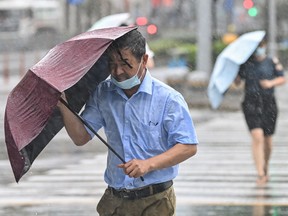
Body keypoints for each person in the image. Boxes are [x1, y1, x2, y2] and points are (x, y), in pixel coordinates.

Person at [58, 28, 198, 215]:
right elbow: (81, 137)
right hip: (115, 202)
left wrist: (149, 164)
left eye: (125, 64)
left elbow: (188, 146)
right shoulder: (103, 94)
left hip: (155, 201)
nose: (118, 71)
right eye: (112, 64)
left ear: (144, 60)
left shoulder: (168, 99)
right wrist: (63, 104)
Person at [234, 38, 286, 186]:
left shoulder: (272, 61)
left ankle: (265, 165)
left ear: (264, 46)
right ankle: (260, 173)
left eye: (261, 46)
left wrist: (270, 83)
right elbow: (238, 83)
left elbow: (282, 78)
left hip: (269, 104)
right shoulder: (245, 63)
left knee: (268, 141)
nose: (258, 49)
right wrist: (235, 72)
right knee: (257, 136)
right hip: (251, 103)